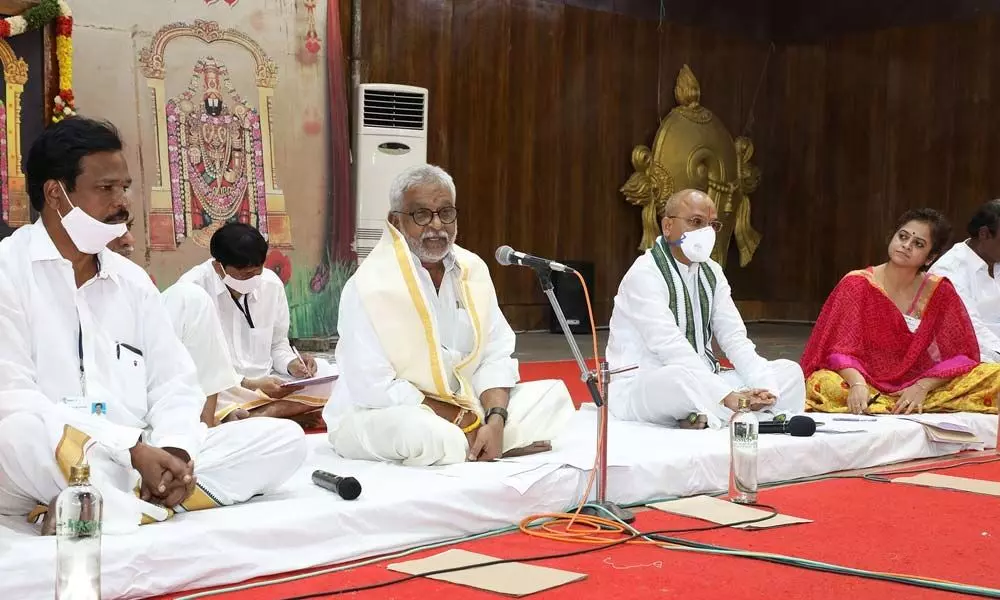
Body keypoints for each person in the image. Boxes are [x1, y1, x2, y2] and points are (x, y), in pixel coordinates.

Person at [0, 117, 307, 535]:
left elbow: (175, 384)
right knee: (18, 433)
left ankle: (107, 502)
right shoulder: (8, 271)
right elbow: (14, 397)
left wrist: (174, 450)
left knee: (283, 441)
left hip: (137, 455)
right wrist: (131, 450)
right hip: (57, 452)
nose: (121, 202)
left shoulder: (131, 283)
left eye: (123, 187)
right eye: (105, 188)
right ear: (56, 194)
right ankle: (136, 499)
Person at [324, 164, 574, 466]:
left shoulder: (473, 270)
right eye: (421, 214)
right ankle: (482, 444)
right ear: (396, 221)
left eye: (445, 213)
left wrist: (495, 418)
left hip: (467, 406)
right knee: (429, 435)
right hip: (382, 413)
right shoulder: (367, 286)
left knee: (554, 396)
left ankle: (484, 440)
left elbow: (495, 354)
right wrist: (460, 418)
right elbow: (372, 387)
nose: (436, 226)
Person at [606, 189, 805, 430]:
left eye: (712, 224)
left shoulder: (712, 272)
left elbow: (734, 337)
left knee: (789, 373)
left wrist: (764, 386)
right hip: (644, 384)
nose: (706, 232)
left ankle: (712, 414)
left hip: (707, 378)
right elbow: (669, 346)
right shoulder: (644, 273)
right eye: (696, 222)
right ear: (667, 226)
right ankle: (728, 411)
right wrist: (725, 395)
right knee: (677, 381)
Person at [803, 208, 1000, 415]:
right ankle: (898, 405)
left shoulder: (938, 290)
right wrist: (857, 384)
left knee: (994, 376)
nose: (906, 245)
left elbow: (962, 354)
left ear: (929, 258)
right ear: (892, 237)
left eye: (918, 244)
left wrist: (922, 386)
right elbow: (839, 350)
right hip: (865, 380)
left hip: (919, 382)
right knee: (823, 382)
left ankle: (898, 405)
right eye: (902, 237)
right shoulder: (857, 284)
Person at [175, 223, 334, 423]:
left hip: (270, 383)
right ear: (218, 267)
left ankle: (254, 416)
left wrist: (291, 364)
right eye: (244, 275)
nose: (253, 279)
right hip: (225, 387)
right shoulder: (192, 289)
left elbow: (277, 345)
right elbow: (191, 363)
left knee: (329, 373)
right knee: (197, 394)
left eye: (257, 271)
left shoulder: (271, 284)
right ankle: (276, 413)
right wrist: (249, 384)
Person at [106, 216, 242, 427]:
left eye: (128, 229)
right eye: (114, 229)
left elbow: (181, 370)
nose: (129, 240)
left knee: (285, 437)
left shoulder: (136, 282)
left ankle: (205, 430)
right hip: (106, 427)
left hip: (165, 418)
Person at [929, 200, 1000, 363]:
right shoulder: (948, 271)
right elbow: (970, 330)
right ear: (984, 234)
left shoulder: (995, 258)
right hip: (971, 357)